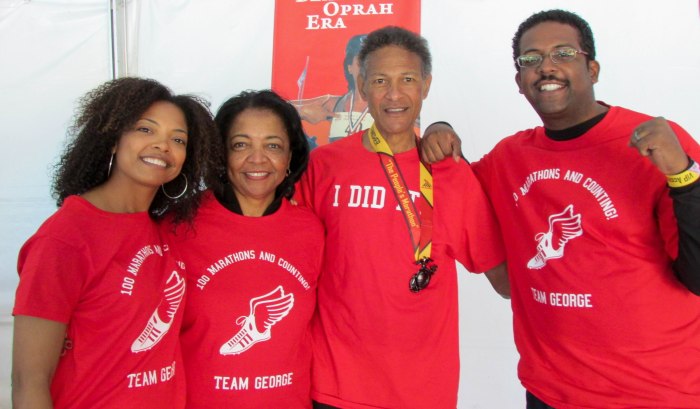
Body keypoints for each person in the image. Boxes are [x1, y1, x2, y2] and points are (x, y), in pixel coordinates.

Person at [422, 9, 700, 408]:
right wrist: (440, 129)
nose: (546, 66)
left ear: (593, 68)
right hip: (550, 391)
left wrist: (685, 175)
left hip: (653, 393)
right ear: (519, 82)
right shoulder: (510, 157)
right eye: (531, 59)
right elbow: (458, 194)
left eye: (563, 53)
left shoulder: (656, 142)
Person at [296, 26, 507, 409]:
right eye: (380, 80)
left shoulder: (450, 172)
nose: (394, 94)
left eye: (407, 79)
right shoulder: (324, 166)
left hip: (420, 390)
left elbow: (504, 280)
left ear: (426, 85)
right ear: (362, 87)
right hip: (333, 383)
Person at [11, 77, 217, 408]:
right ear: (112, 140)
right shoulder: (66, 238)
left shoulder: (165, 229)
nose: (163, 145)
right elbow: (29, 381)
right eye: (145, 129)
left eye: (178, 139)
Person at [173, 90, 323, 408]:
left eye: (273, 145)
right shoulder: (180, 225)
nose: (257, 159)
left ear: (290, 157)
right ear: (221, 153)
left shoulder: (311, 230)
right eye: (241, 145)